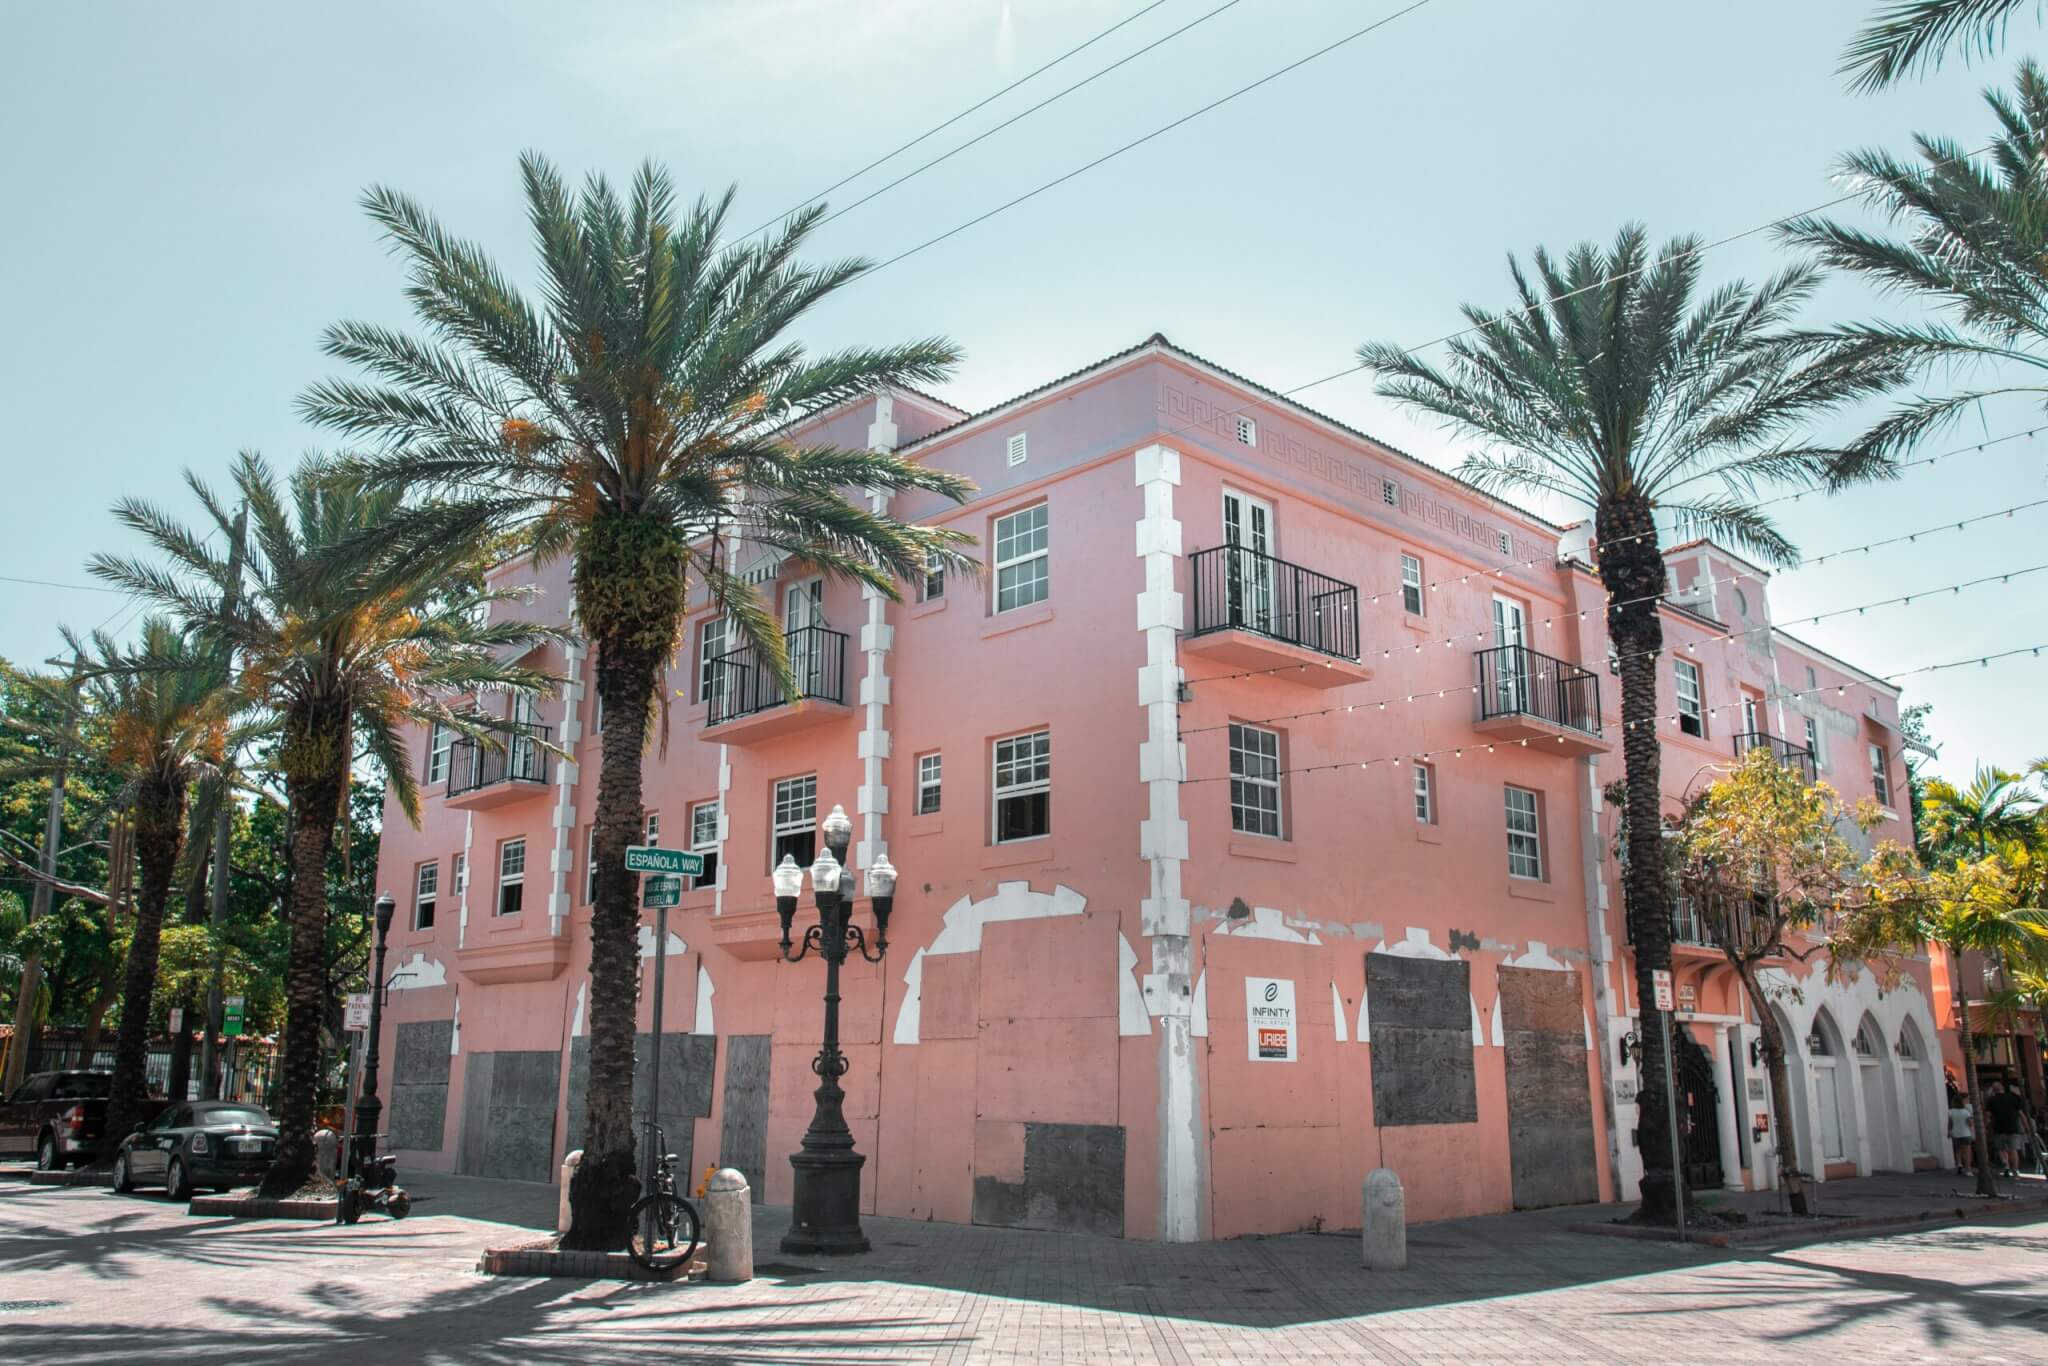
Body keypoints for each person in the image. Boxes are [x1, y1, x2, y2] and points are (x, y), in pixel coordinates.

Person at [1986, 1081, 2027, 1178]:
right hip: (2012, 1127)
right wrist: (2026, 1127)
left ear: (1994, 1090)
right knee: (2013, 1150)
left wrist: (1985, 1127)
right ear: (2003, 1088)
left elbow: (1987, 1116)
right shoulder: (2013, 1097)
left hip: (1998, 1128)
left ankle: (2006, 1165)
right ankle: (2015, 1170)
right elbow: (2021, 1114)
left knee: (2001, 1149)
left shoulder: (1991, 1100)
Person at [1949, 1090, 1977, 1175]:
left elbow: (1950, 1123)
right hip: (1966, 1133)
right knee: (1967, 1151)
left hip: (1956, 1133)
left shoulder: (1951, 1111)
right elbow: (1970, 1123)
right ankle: (1968, 1169)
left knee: (1958, 1150)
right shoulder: (1966, 1111)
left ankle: (1959, 1164)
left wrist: (1949, 1131)